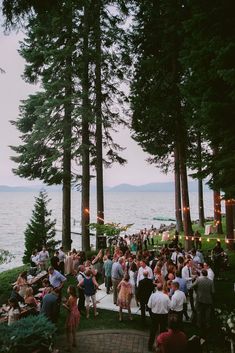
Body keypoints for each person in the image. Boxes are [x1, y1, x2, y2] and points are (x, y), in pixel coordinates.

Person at [147, 283, 171, 352]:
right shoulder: (166, 296)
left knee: (153, 331)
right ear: (162, 288)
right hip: (163, 315)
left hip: (155, 315)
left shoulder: (153, 295)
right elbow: (170, 306)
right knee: (162, 331)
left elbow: (149, 306)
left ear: (156, 288)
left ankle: (150, 346)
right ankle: (161, 346)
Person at [192, 269, 214, 336]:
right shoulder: (211, 282)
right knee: (207, 313)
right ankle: (208, 325)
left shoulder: (199, 280)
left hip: (200, 299)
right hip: (208, 299)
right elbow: (213, 291)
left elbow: (193, 285)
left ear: (202, 274)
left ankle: (199, 324)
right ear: (207, 274)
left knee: (199, 312)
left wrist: (197, 290)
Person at [62, 285, 80, 352]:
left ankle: (68, 347)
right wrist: (66, 301)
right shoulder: (75, 296)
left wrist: (64, 305)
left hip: (71, 315)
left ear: (70, 291)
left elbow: (69, 309)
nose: (67, 289)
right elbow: (71, 304)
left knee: (68, 331)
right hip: (76, 313)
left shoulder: (70, 298)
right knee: (74, 329)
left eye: (68, 289)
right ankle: (74, 342)